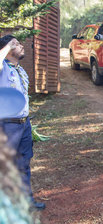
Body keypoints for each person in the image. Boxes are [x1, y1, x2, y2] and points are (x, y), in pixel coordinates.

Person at [0, 35, 46, 210]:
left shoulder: (20, 70)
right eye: (17, 44)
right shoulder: (3, 68)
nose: (21, 46)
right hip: (7, 126)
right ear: (8, 49)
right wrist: (6, 47)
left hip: (24, 124)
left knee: (23, 164)